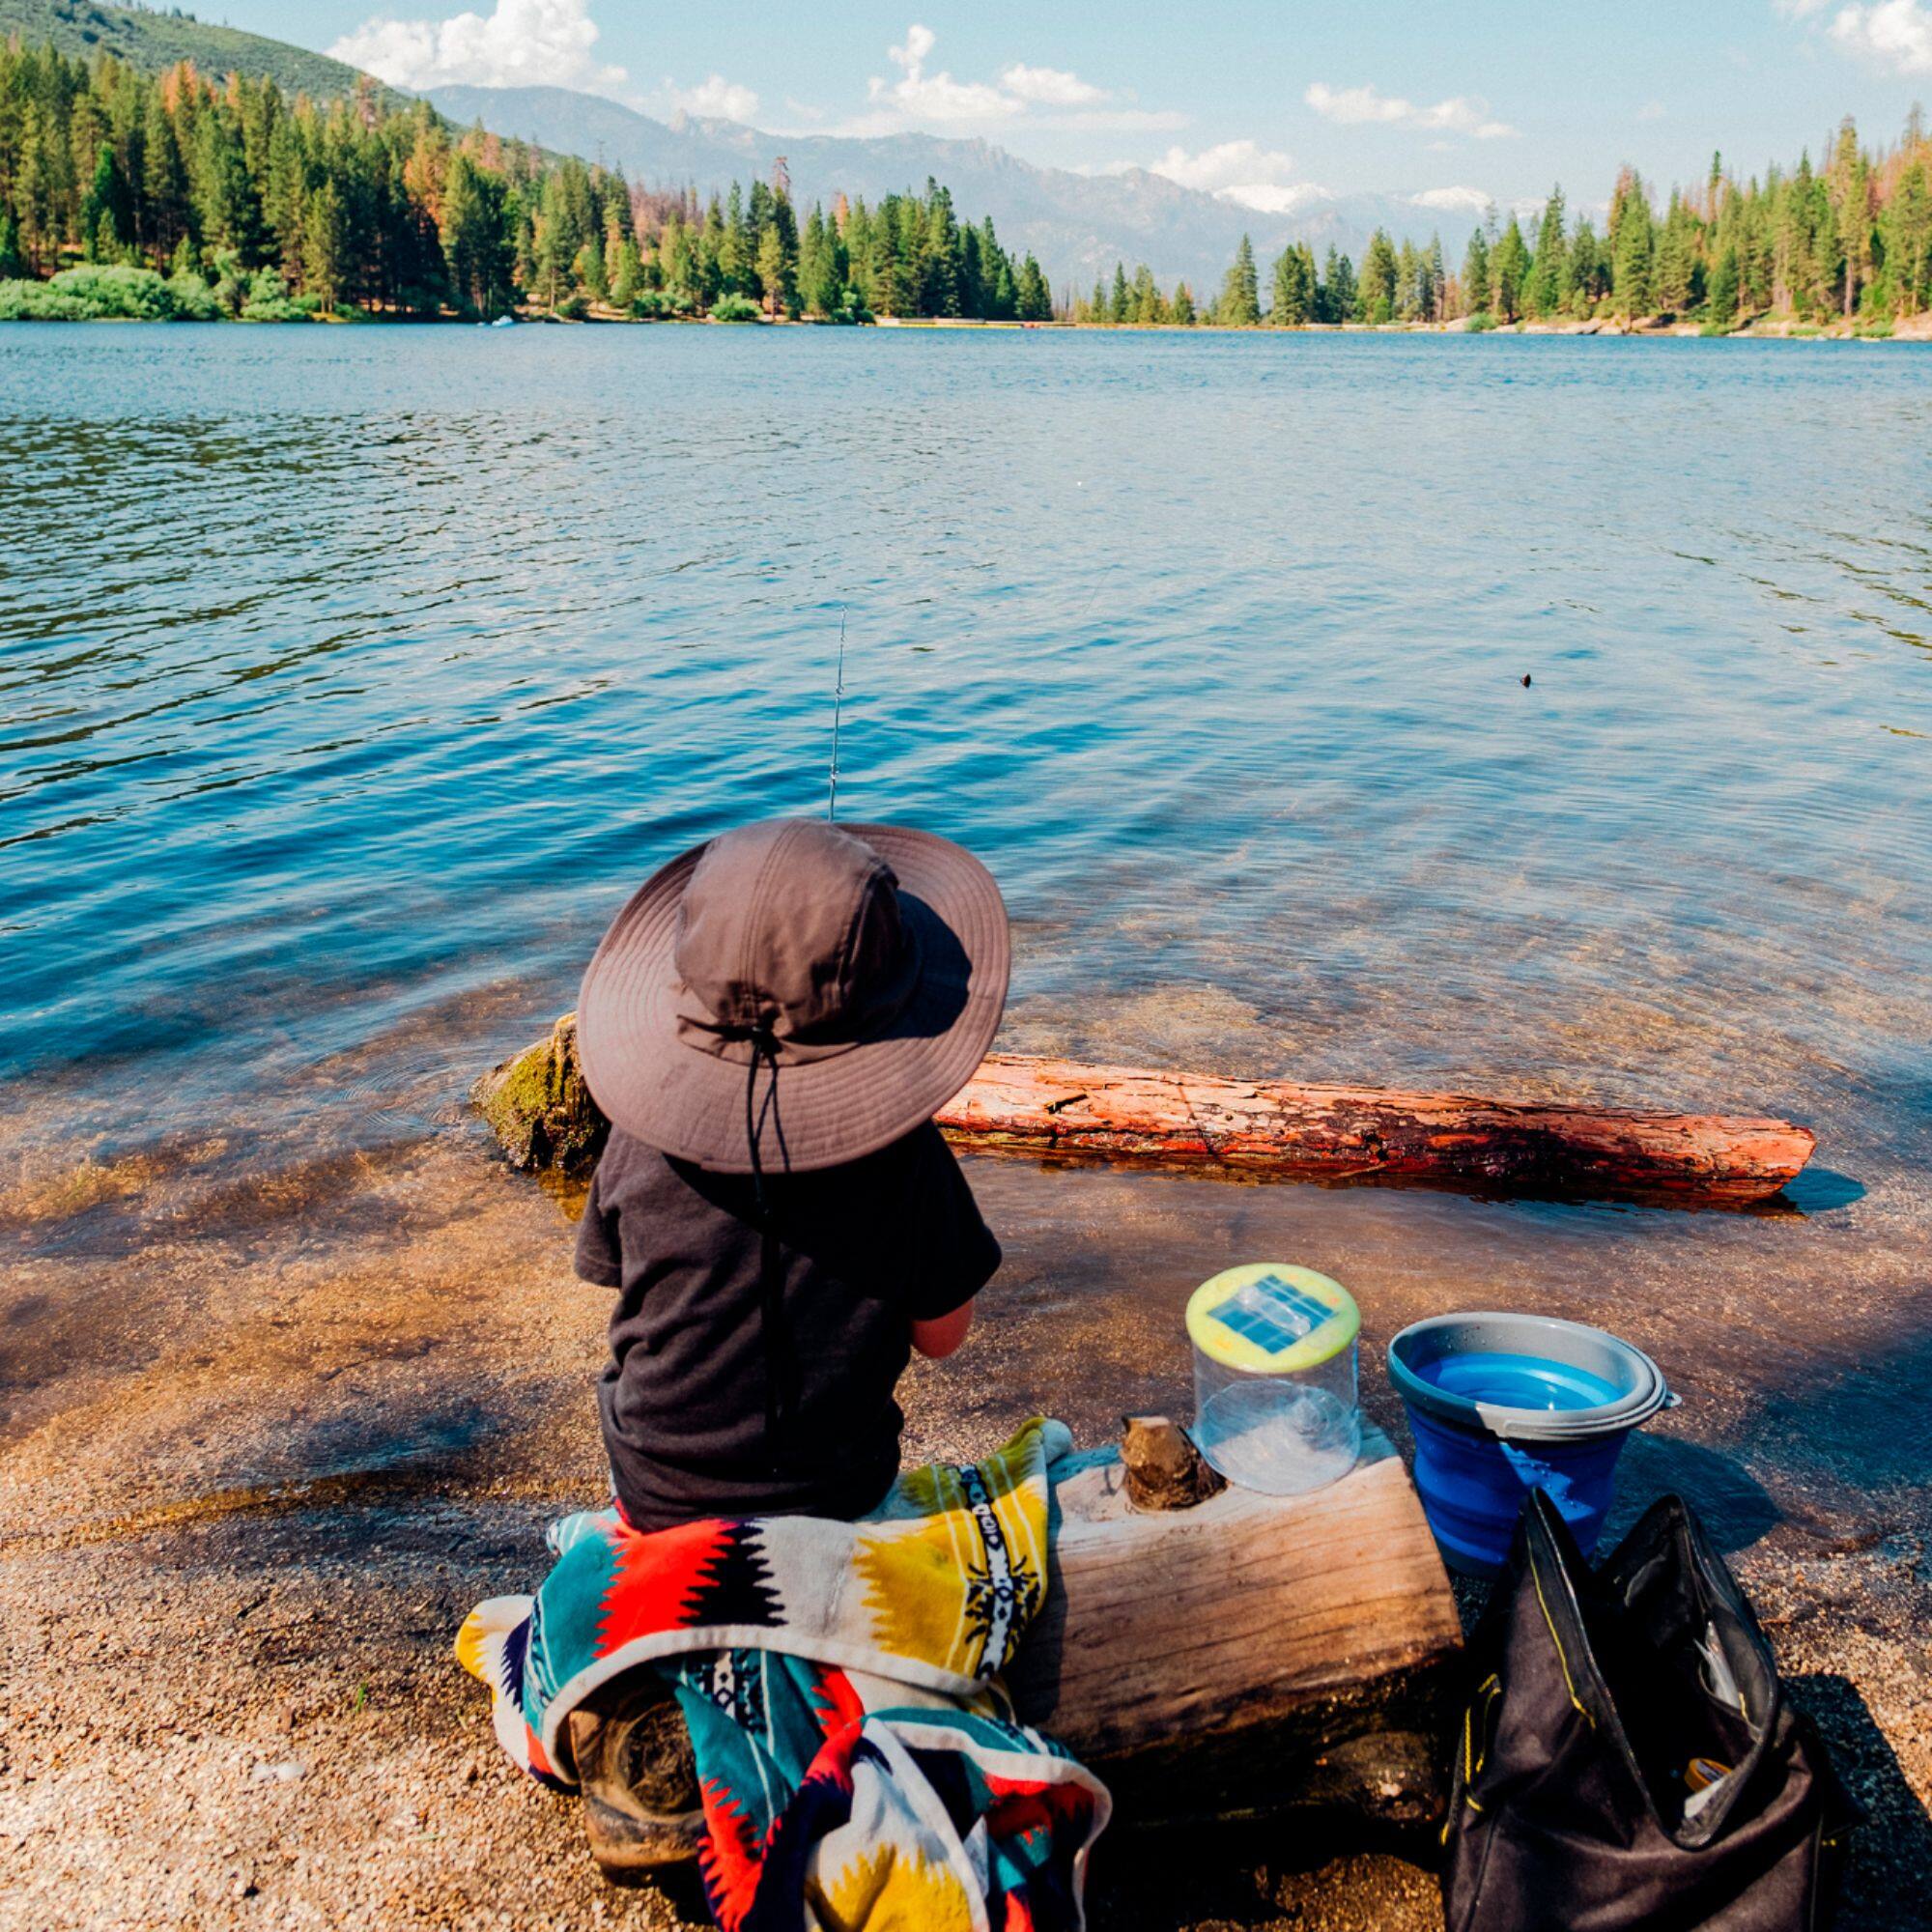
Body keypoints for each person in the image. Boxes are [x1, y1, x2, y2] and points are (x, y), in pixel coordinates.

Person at [570, 816, 1010, 1531]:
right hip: (839, 1493)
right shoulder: (908, 1157)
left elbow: (616, 1273)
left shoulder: (640, 1131)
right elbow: (942, 1337)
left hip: (651, 1487)